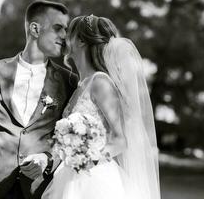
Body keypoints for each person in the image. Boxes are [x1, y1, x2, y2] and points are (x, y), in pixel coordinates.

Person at [0, 0, 77, 199]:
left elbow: (70, 134)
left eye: (66, 29)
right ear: (35, 29)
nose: (64, 36)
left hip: (40, 188)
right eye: (58, 28)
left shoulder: (69, 81)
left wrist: (48, 159)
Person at [42, 15, 161, 199]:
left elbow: (120, 140)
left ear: (81, 41)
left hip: (95, 180)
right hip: (70, 176)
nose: (64, 36)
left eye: (69, 33)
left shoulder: (101, 83)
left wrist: (87, 159)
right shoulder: (81, 85)